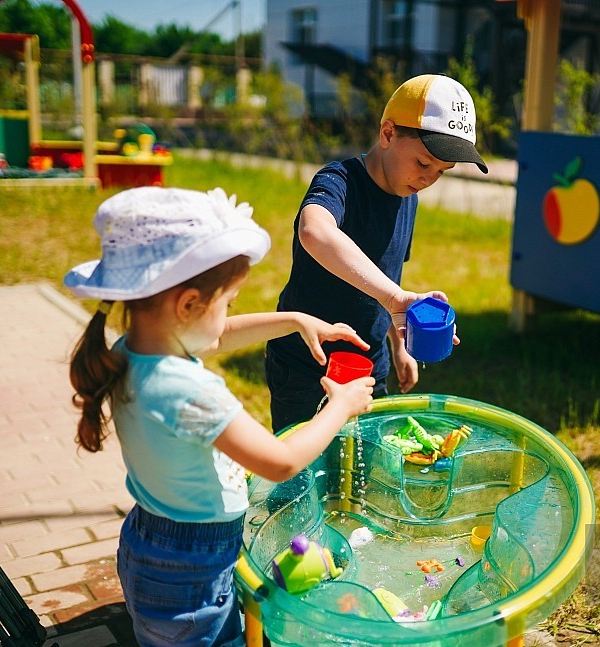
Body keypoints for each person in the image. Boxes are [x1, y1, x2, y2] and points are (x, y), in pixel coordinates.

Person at [65, 186, 374, 647]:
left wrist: (296, 319)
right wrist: (340, 406)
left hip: (151, 539)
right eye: (228, 301)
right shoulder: (189, 391)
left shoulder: (132, 351)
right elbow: (280, 461)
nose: (229, 314)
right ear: (187, 305)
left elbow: (216, 336)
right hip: (193, 568)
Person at [266, 73, 488, 431]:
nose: (428, 179)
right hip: (307, 365)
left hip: (369, 367)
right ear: (388, 134)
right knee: (302, 472)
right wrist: (395, 297)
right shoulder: (340, 181)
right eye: (422, 163)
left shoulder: (408, 198)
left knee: (365, 472)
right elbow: (314, 231)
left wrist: (400, 344)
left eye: (442, 172)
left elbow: (388, 275)